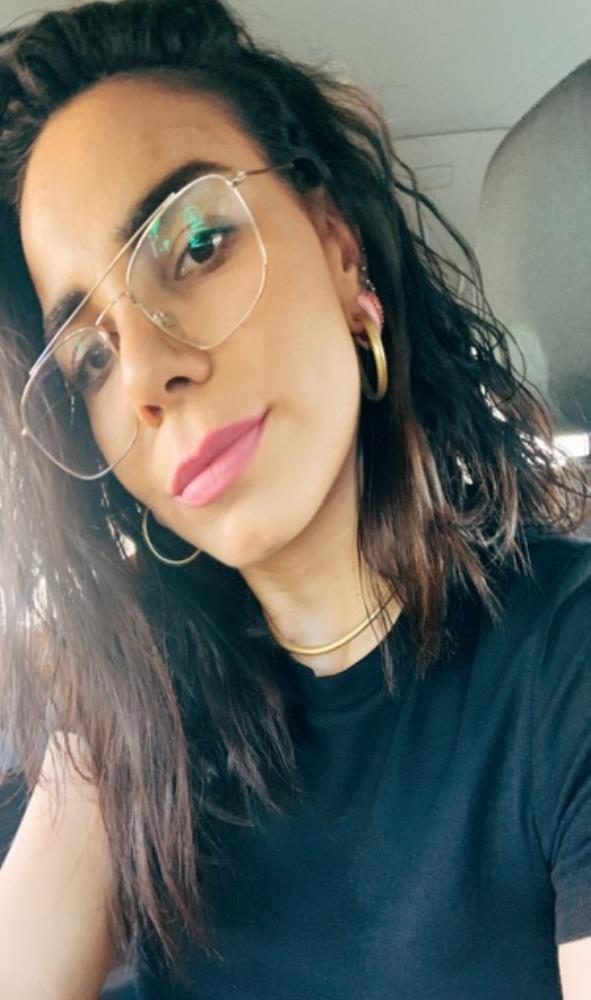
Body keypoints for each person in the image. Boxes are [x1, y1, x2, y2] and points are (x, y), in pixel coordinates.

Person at [0, 0, 589, 996]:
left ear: (337, 250)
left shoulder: (563, 663)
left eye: (196, 246)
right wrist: (108, 694)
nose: (144, 376)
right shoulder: (136, 723)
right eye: (90, 358)